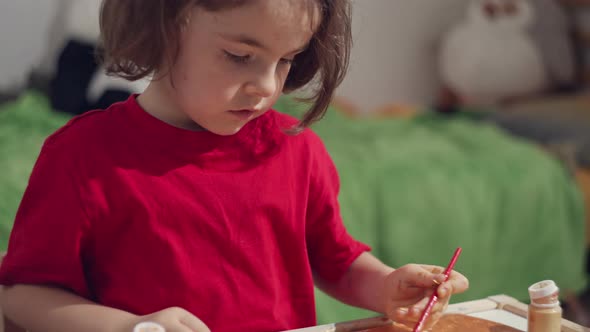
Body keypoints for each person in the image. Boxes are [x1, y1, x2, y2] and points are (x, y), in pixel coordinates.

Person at [0, 1, 469, 331]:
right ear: (163, 23)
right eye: (239, 56)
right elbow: (22, 294)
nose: (265, 86)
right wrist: (130, 327)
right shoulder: (82, 158)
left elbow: (337, 261)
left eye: (286, 60)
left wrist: (388, 285)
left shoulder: (295, 150)